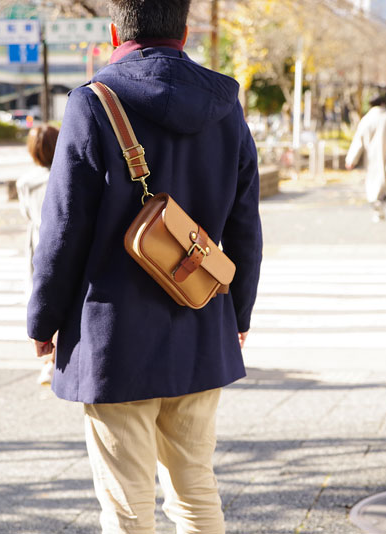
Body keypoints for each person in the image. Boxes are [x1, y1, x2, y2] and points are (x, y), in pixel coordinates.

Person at [26, 1, 263, 532]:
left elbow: (62, 230)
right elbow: (246, 226)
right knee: (196, 488)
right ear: (185, 29)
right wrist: (238, 316)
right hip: (202, 319)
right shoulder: (226, 106)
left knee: (128, 507)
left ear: (114, 29)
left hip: (115, 339)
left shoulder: (94, 103)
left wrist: (43, 324)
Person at [16, 125, 59, 385]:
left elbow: (27, 215)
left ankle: (48, 355)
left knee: (40, 296)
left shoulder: (25, 181)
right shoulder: (65, 176)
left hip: (37, 242)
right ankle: (54, 359)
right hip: (60, 241)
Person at [345, 91, 386, 222]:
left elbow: (358, 140)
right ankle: (381, 202)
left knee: (373, 180)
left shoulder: (366, 119)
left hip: (371, 156)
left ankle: (375, 202)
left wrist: (351, 159)